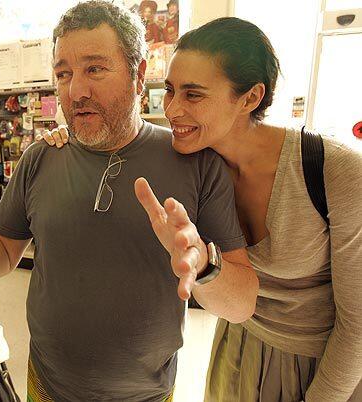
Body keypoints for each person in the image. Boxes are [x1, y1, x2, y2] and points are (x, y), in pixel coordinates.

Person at [0, 2, 258, 401]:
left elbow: (241, 304)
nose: (76, 90)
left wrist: (206, 267)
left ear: (138, 74)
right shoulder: (41, 157)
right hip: (47, 385)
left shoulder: (196, 163)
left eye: (95, 68)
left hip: (146, 394)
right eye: (63, 73)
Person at [41, 16, 362, 402]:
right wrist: (65, 136)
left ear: (250, 98)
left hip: (323, 368)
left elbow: (357, 327)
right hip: (235, 352)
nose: (172, 109)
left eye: (193, 95)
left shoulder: (336, 171)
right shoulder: (198, 163)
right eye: (170, 91)